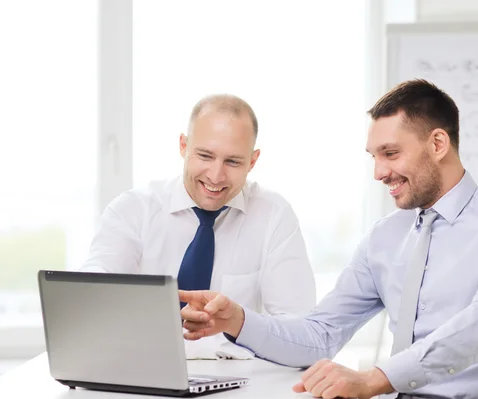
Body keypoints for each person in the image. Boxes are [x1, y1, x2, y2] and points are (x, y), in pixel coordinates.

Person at [178, 79, 478, 399]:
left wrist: (374, 379)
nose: (379, 172)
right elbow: (320, 335)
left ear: (438, 143)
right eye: (374, 157)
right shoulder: (385, 237)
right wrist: (238, 321)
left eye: (391, 153)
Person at [81, 94, 316, 358]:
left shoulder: (273, 215)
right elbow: (92, 294)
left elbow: (300, 334)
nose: (216, 176)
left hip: (240, 386)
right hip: (143, 371)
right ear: (183, 146)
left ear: (252, 161)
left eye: (233, 162)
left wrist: (238, 322)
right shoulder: (133, 210)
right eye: (205, 156)